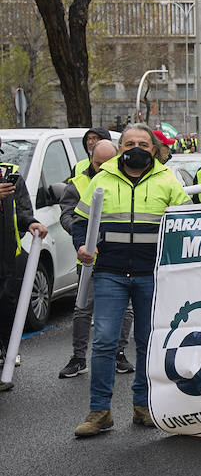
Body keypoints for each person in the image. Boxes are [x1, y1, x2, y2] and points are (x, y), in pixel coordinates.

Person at [70, 124, 190, 436]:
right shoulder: (102, 179)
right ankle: (100, 412)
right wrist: (82, 246)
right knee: (105, 341)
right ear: (120, 147)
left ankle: (143, 406)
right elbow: (81, 222)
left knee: (149, 342)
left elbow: (188, 224)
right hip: (110, 272)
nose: (135, 147)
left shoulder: (168, 180)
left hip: (152, 274)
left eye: (142, 143)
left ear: (153, 148)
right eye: (129, 143)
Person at [57, 140, 133, 379]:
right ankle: (79, 357)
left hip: (121, 257)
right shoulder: (78, 183)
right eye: (98, 163)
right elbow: (68, 215)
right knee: (82, 308)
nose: (102, 168)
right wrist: (84, 238)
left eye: (107, 163)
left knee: (126, 309)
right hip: (90, 256)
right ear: (91, 159)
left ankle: (119, 353)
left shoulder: (125, 179)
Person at [0, 136, 48, 378]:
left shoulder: (11, 174)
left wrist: (32, 223)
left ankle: (7, 350)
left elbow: (22, 210)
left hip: (7, 254)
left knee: (7, 302)